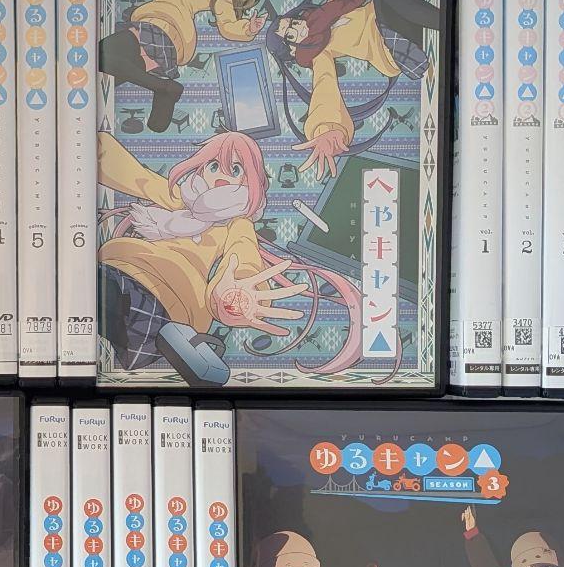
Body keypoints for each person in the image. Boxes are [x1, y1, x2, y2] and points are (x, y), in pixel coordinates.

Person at [98, 130, 365, 382]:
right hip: (126, 269)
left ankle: (174, 343)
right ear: (201, 169)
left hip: (171, 294)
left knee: (115, 305)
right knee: (109, 308)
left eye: (235, 169)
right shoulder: (181, 198)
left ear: (250, 179)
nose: (221, 176)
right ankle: (175, 345)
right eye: (214, 166)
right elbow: (136, 177)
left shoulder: (237, 224)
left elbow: (244, 258)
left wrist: (235, 294)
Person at [265, 0, 442, 180]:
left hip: (393, 14)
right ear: (291, 49)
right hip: (389, 45)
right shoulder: (318, 54)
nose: (295, 27)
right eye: (289, 35)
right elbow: (324, 88)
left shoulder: (324, 13)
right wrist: (327, 130)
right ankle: (446, 22)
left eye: (290, 23)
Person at [99, 0, 263, 131]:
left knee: (101, 54)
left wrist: (247, 29)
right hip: (163, 34)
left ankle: (163, 87)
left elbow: (227, 24)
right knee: (104, 77)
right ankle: (163, 96)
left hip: (162, 27)